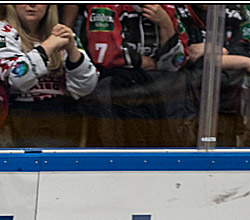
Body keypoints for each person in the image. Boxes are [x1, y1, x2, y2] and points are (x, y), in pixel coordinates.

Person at [0, 4, 97, 147]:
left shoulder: (60, 32)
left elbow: (86, 87)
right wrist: (48, 47)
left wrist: (72, 50)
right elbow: (17, 78)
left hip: (61, 116)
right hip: (17, 115)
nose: (32, 4)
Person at [81, 4, 189, 147]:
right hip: (117, 93)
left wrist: (166, 24)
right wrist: (147, 62)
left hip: (162, 94)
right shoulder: (104, 6)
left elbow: (178, 62)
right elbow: (105, 56)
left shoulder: (167, 8)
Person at [175, 4, 250, 148]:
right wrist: (241, 61)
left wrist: (213, 50)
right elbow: (185, 59)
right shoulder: (177, 9)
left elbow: (247, 53)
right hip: (184, 105)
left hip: (228, 105)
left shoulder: (238, 11)